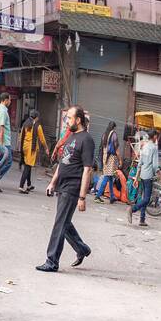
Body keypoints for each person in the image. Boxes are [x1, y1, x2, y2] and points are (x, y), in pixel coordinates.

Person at [37, 106, 94, 272]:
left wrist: (82, 197)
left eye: (69, 118)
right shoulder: (71, 136)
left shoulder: (87, 140)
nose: (67, 121)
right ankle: (82, 249)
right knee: (64, 222)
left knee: (59, 223)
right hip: (62, 184)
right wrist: (52, 182)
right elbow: (62, 163)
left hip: (73, 186)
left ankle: (52, 261)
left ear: (78, 120)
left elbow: (87, 169)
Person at [129, 129, 160, 227]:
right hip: (148, 176)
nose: (157, 138)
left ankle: (142, 219)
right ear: (154, 136)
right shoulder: (154, 148)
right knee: (146, 199)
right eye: (156, 136)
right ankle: (132, 209)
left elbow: (140, 163)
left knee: (143, 198)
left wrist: (136, 177)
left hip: (142, 175)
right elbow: (155, 166)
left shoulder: (144, 146)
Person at [17, 109, 50, 193]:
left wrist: (19, 147)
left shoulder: (25, 124)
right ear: (36, 117)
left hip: (24, 147)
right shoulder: (37, 126)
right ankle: (21, 186)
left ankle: (29, 185)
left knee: (29, 165)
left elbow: (20, 137)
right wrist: (46, 148)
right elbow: (42, 139)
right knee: (28, 166)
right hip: (31, 148)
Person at [94, 121, 120, 203]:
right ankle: (97, 196)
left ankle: (112, 196)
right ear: (114, 127)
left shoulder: (104, 134)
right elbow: (116, 149)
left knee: (110, 177)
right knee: (106, 176)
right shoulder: (113, 134)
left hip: (105, 157)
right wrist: (120, 160)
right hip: (111, 158)